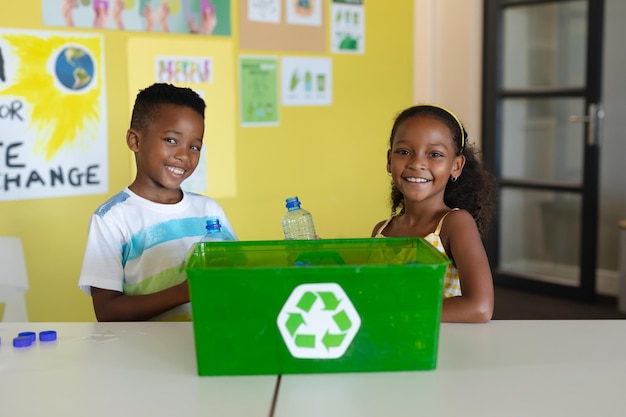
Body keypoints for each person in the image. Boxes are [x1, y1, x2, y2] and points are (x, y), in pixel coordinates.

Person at [78, 83, 236, 321]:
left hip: (209, 344)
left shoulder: (209, 211)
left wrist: (295, 262)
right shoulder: (111, 219)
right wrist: (184, 292)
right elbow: (107, 311)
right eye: (172, 140)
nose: (184, 155)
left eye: (194, 146)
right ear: (135, 141)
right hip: (145, 353)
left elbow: (237, 276)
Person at [371, 104, 495, 323]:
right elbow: (372, 295)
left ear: (456, 166)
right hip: (395, 344)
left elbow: (480, 306)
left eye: (435, 154)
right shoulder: (382, 231)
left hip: (442, 347)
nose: (417, 163)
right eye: (404, 152)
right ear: (389, 160)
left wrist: (401, 311)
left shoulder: (454, 224)